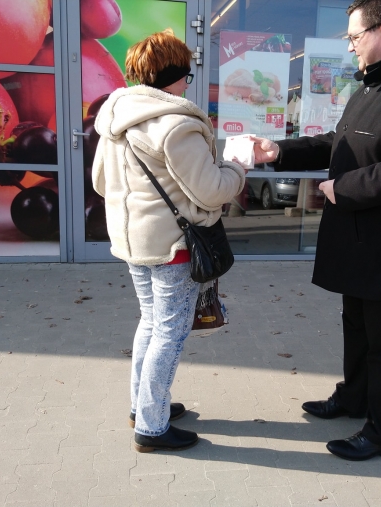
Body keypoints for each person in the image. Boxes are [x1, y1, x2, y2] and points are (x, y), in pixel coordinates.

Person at [250, 0, 381, 461]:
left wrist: (340, 188)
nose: (350, 47)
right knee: (359, 330)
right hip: (364, 245)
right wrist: (279, 152)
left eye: (353, 37)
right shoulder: (375, 83)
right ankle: (355, 397)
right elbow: (339, 142)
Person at [92, 29, 246, 453]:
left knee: (150, 322)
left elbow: (101, 183)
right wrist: (237, 167)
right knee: (170, 333)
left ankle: (143, 406)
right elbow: (212, 191)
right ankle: (152, 427)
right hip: (173, 247)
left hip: (133, 243)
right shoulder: (176, 126)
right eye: (187, 75)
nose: (187, 83)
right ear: (174, 76)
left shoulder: (115, 118)